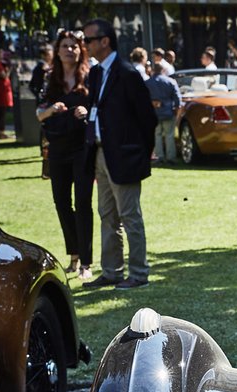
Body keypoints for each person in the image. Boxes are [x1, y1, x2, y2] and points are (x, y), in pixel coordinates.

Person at [80, 18, 159, 290]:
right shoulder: (95, 73)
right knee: (106, 214)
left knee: (129, 215)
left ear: (104, 41)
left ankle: (138, 273)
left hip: (124, 156)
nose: (85, 44)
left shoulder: (126, 73)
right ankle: (112, 271)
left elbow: (148, 118)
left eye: (88, 39)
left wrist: (139, 151)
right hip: (100, 153)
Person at [36, 30, 93, 280]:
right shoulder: (50, 80)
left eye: (74, 46)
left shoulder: (90, 78)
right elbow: (39, 114)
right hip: (57, 150)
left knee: (82, 204)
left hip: (81, 148)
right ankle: (74, 255)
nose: (70, 50)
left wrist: (85, 111)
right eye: (65, 46)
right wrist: (52, 109)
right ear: (57, 51)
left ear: (81, 50)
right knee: (61, 203)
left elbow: (98, 109)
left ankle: (86, 263)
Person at [147, 64, 181, 164]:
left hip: (154, 112)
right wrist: (176, 109)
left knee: (156, 134)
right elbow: (177, 98)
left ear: (153, 70)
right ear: (163, 70)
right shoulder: (171, 81)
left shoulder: (147, 82)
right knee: (169, 135)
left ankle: (159, 156)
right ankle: (170, 157)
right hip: (168, 111)